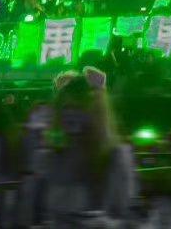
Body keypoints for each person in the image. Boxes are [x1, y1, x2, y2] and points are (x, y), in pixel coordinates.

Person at [42, 68, 136, 226]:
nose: (71, 114)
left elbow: (121, 212)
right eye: (66, 108)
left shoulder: (114, 156)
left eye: (78, 108)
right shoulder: (55, 155)